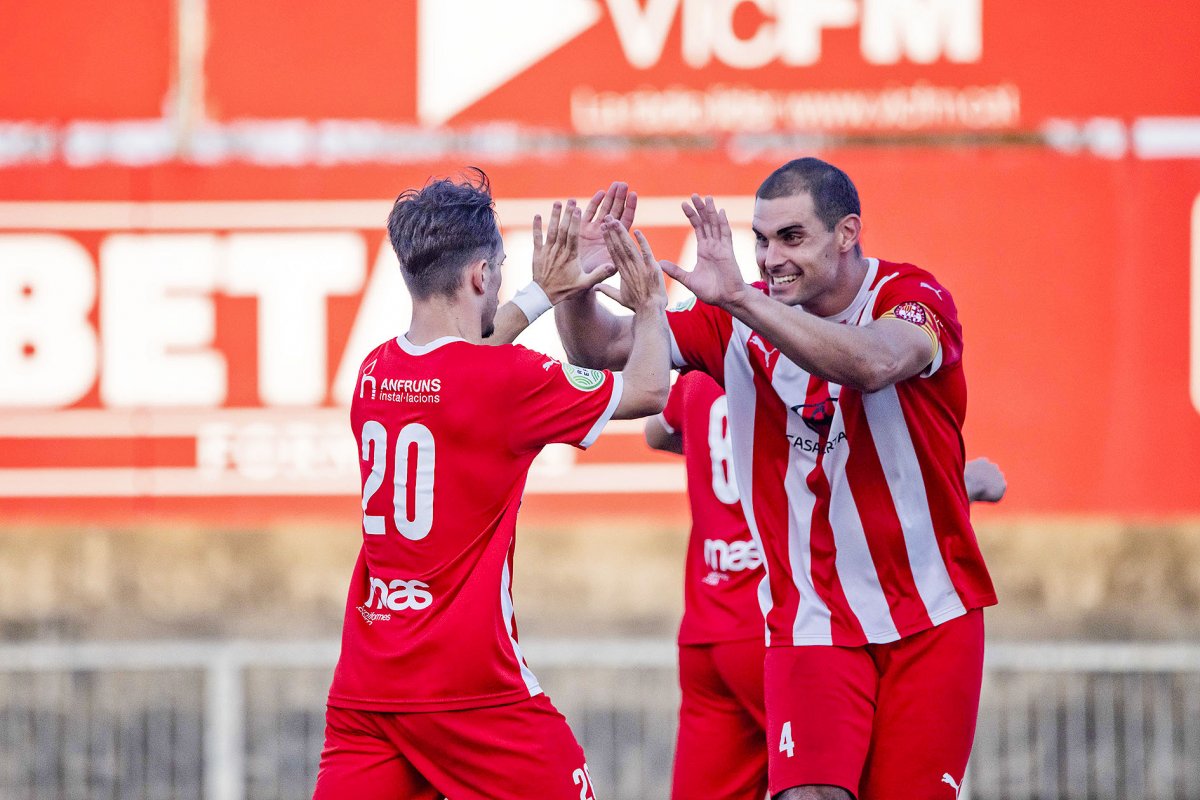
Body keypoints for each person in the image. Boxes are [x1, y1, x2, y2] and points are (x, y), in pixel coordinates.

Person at [559, 157, 998, 799]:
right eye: (761, 240)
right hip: (810, 619)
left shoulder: (913, 297)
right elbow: (598, 350)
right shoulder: (734, 316)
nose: (770, 258)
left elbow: (874, 363)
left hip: (930, 617)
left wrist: (739, 300)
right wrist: (575, 290)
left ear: (848, 232)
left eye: (791, 238)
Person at [312, 169, 670, 800]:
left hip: (368, 688)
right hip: (469, 691)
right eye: (499, 270)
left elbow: (464, 367)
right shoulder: (506, 380)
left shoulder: (375, 373)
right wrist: (649, 306)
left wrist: (541, 292)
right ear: (481, 276)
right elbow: (648, 391)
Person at [646, 368, 1007, 800]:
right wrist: (961, 485)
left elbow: (657, 431)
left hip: (707, 629)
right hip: (787, 625)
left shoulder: (702, 372)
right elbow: (856, 478)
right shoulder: (801, 371)